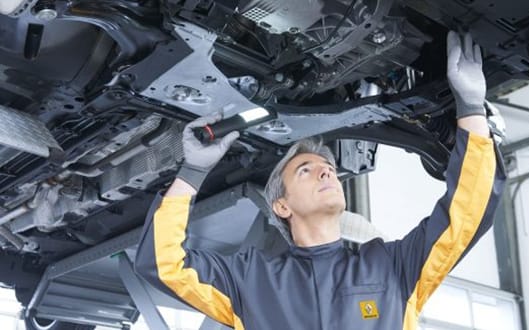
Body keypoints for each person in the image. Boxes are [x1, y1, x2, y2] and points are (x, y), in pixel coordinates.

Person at [134, 31, 506, 330]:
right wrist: (193, 171)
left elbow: (466, 216)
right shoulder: (249, 281)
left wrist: (471, 107)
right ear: (281, 205)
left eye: (327, 167)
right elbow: (163, 265)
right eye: (306, 170)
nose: (327, 171)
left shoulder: (393, 267)